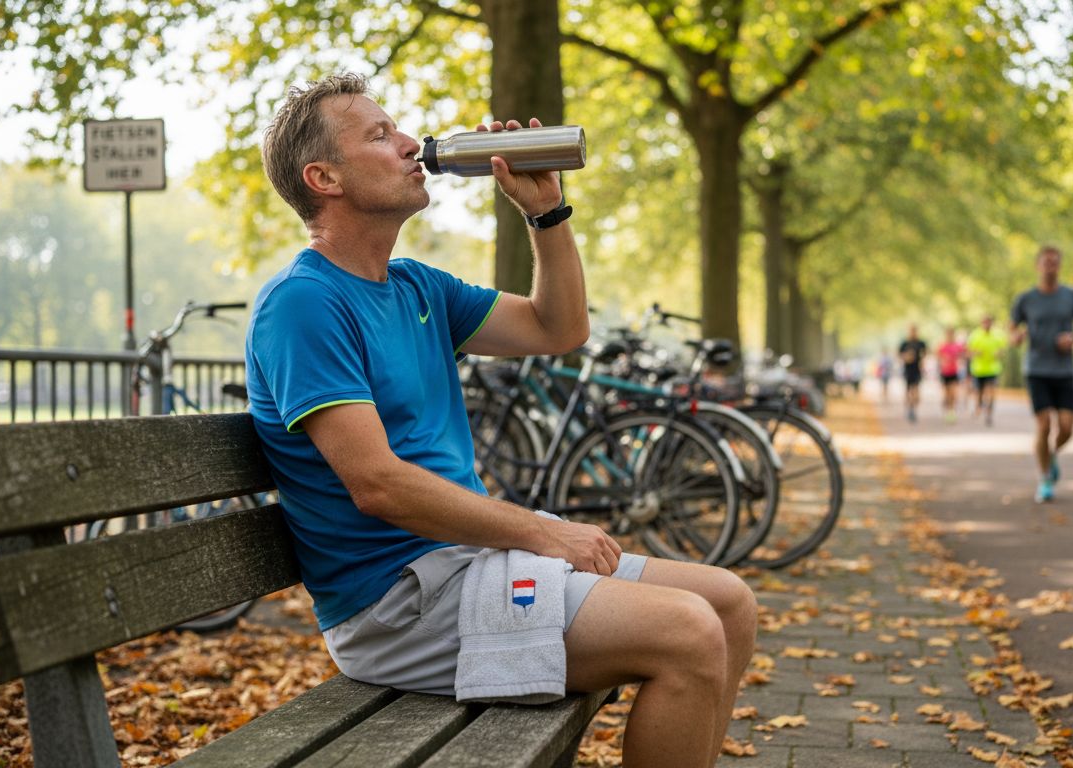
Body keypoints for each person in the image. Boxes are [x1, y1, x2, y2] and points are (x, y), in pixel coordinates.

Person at [245, 74, 756, 767]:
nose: (408, 144)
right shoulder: (303, 304)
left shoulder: (418, 286)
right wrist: (547, 533)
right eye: (378, 134)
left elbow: (558, 327)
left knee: (728, 603)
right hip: (396, 606)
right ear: (323, 177)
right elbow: (378, 485)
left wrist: (545, 214)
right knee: (688, 632)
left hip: (464, 568)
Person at [1010, 245, 1073, 503]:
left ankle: (1052, 455)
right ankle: (1045, 479)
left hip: (1064, 370)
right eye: (1046, 262)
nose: (1050, 266)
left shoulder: (1072, 296)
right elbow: (1011, 329)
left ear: (1060, 266)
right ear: (1037, 265)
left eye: (1055, 262)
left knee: (1066, 428)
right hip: (1036, 369)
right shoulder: (1025, 299)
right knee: (1044, 424)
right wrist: (1017, 336)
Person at [966, 314, 1007, 426]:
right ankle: (979, 405)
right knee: (979, 393)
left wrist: (999, 353)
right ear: (981, 323)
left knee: (991, 392)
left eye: (988, 322)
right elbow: (967, 352)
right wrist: (975, 353)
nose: (986, 324)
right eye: (984, 322)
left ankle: (989, 414)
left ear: (991, 323)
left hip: (993, 369)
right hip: (978, 370)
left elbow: (1003, 350)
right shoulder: (975, 335)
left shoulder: (998, 335)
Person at [935, 326, 968, 423]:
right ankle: (947, 408)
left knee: (953, 393)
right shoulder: (942, 345)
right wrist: (944, 359)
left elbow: (964, 354)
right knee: (946, 394)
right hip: (944, 372)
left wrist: (960, 357)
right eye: (948, 333)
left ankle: (952, 412)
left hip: (954, 372)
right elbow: (937, 356)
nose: (950, 335)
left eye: (951, 333)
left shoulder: (957, 346)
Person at [898, 324, 927, 422]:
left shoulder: (921, 343)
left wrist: (923, 363)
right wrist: (906, 357)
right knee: (908, 390)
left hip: (917, 370)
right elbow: (899, 355)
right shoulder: (904, 343)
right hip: (907, 370)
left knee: (916, 390)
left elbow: (925, 355)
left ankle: (913, 407)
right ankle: (909, 408)